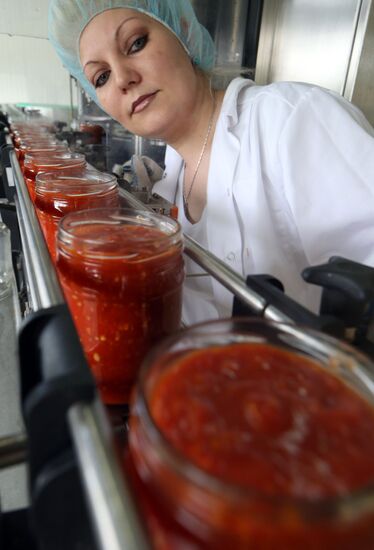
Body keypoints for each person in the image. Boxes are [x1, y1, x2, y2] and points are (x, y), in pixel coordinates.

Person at [48, 0, 374, 326]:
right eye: (101, 76)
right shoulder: (172, 178)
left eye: (135, 43)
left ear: (184, 32)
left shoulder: (292, 119)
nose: (122, 78)